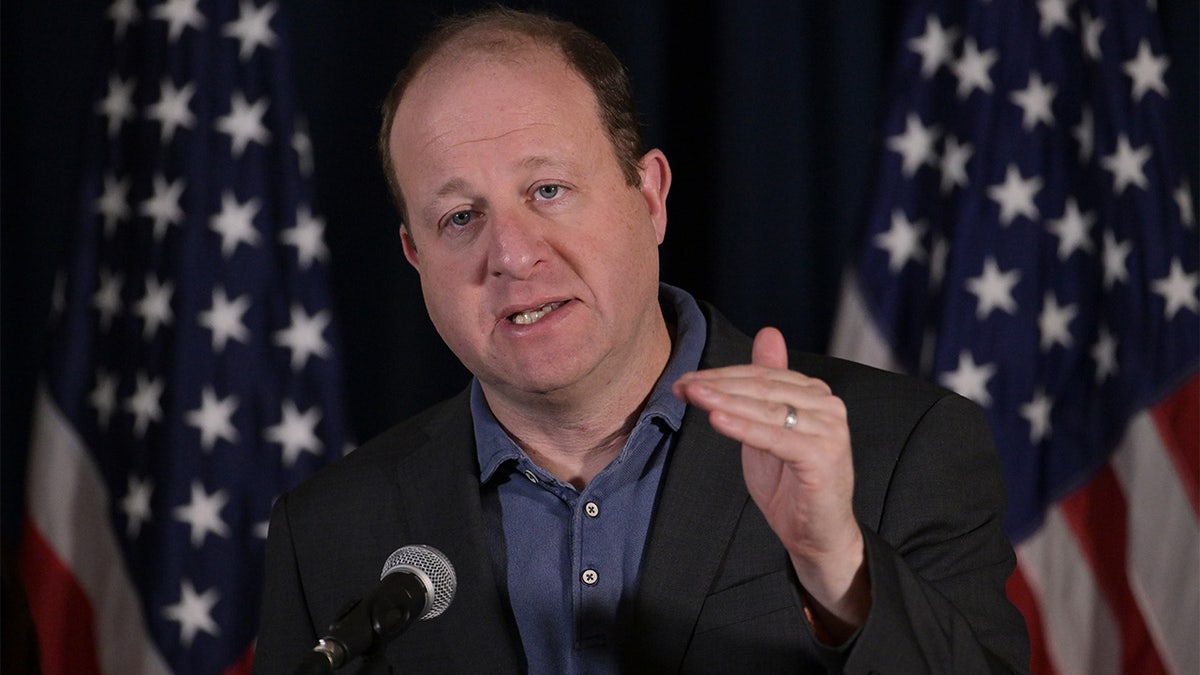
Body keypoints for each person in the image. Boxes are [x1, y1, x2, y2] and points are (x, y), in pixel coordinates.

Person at [253, 7, 1030, 673]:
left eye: (547, 190)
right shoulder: (326, 534)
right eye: (461, 217)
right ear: (416, 258)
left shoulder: (899, 449)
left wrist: (838, 572)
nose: (513, 255)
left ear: (650, 196)